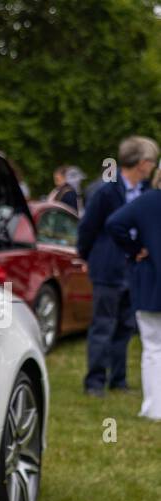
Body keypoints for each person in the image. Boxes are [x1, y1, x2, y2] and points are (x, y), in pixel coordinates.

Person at [76, 136, 158, 396]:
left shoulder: (146, 191)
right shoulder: (106, 190)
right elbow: (88, 229)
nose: (153, 167)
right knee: (103, 325)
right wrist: (87, 258)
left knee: (125, 326)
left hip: (133, 269)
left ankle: (118, 380)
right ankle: (95, 382)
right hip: (108, 268)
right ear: (142, 163)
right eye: (152, 161)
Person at [105, 167, 161, 420]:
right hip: (149, 281)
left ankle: (154, 408)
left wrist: (135, 248)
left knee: (153, 349)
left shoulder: (147, 201)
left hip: (150, 282)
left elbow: (114, 223)